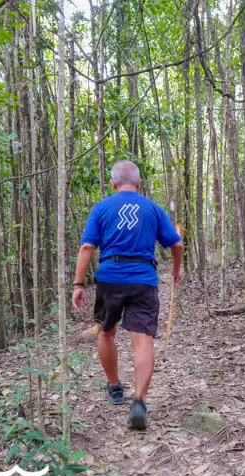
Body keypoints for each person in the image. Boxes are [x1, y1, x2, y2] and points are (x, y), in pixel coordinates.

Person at [72, 160, 184, 430]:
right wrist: (176, 271)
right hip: (143, 280)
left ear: (113, 183)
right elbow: (176, 244)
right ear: (139, 183)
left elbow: (88, 246)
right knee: (143, 340)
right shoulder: (153, 209)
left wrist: (78, 284)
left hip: (109, 277)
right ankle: (139, 401)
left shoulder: (101, 208)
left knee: (106, 332)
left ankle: (114, 387)